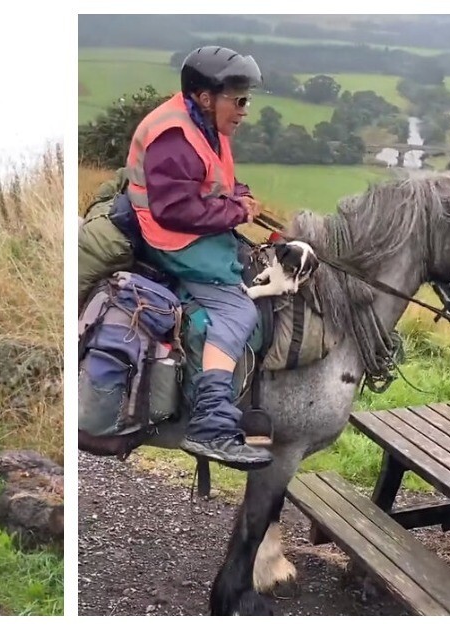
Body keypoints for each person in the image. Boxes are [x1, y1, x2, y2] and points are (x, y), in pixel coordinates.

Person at [125, 45, 272, 469]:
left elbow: (213, 180)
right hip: (169, 237)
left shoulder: (205, 127)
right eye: (238, 99)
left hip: (188, 231)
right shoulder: (174, 135)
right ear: (206, 97)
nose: (245, 109)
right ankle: (209, 424)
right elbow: (174, 208)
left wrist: (239, 194)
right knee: (238, 313)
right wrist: (235, 212)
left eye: (248, 99)